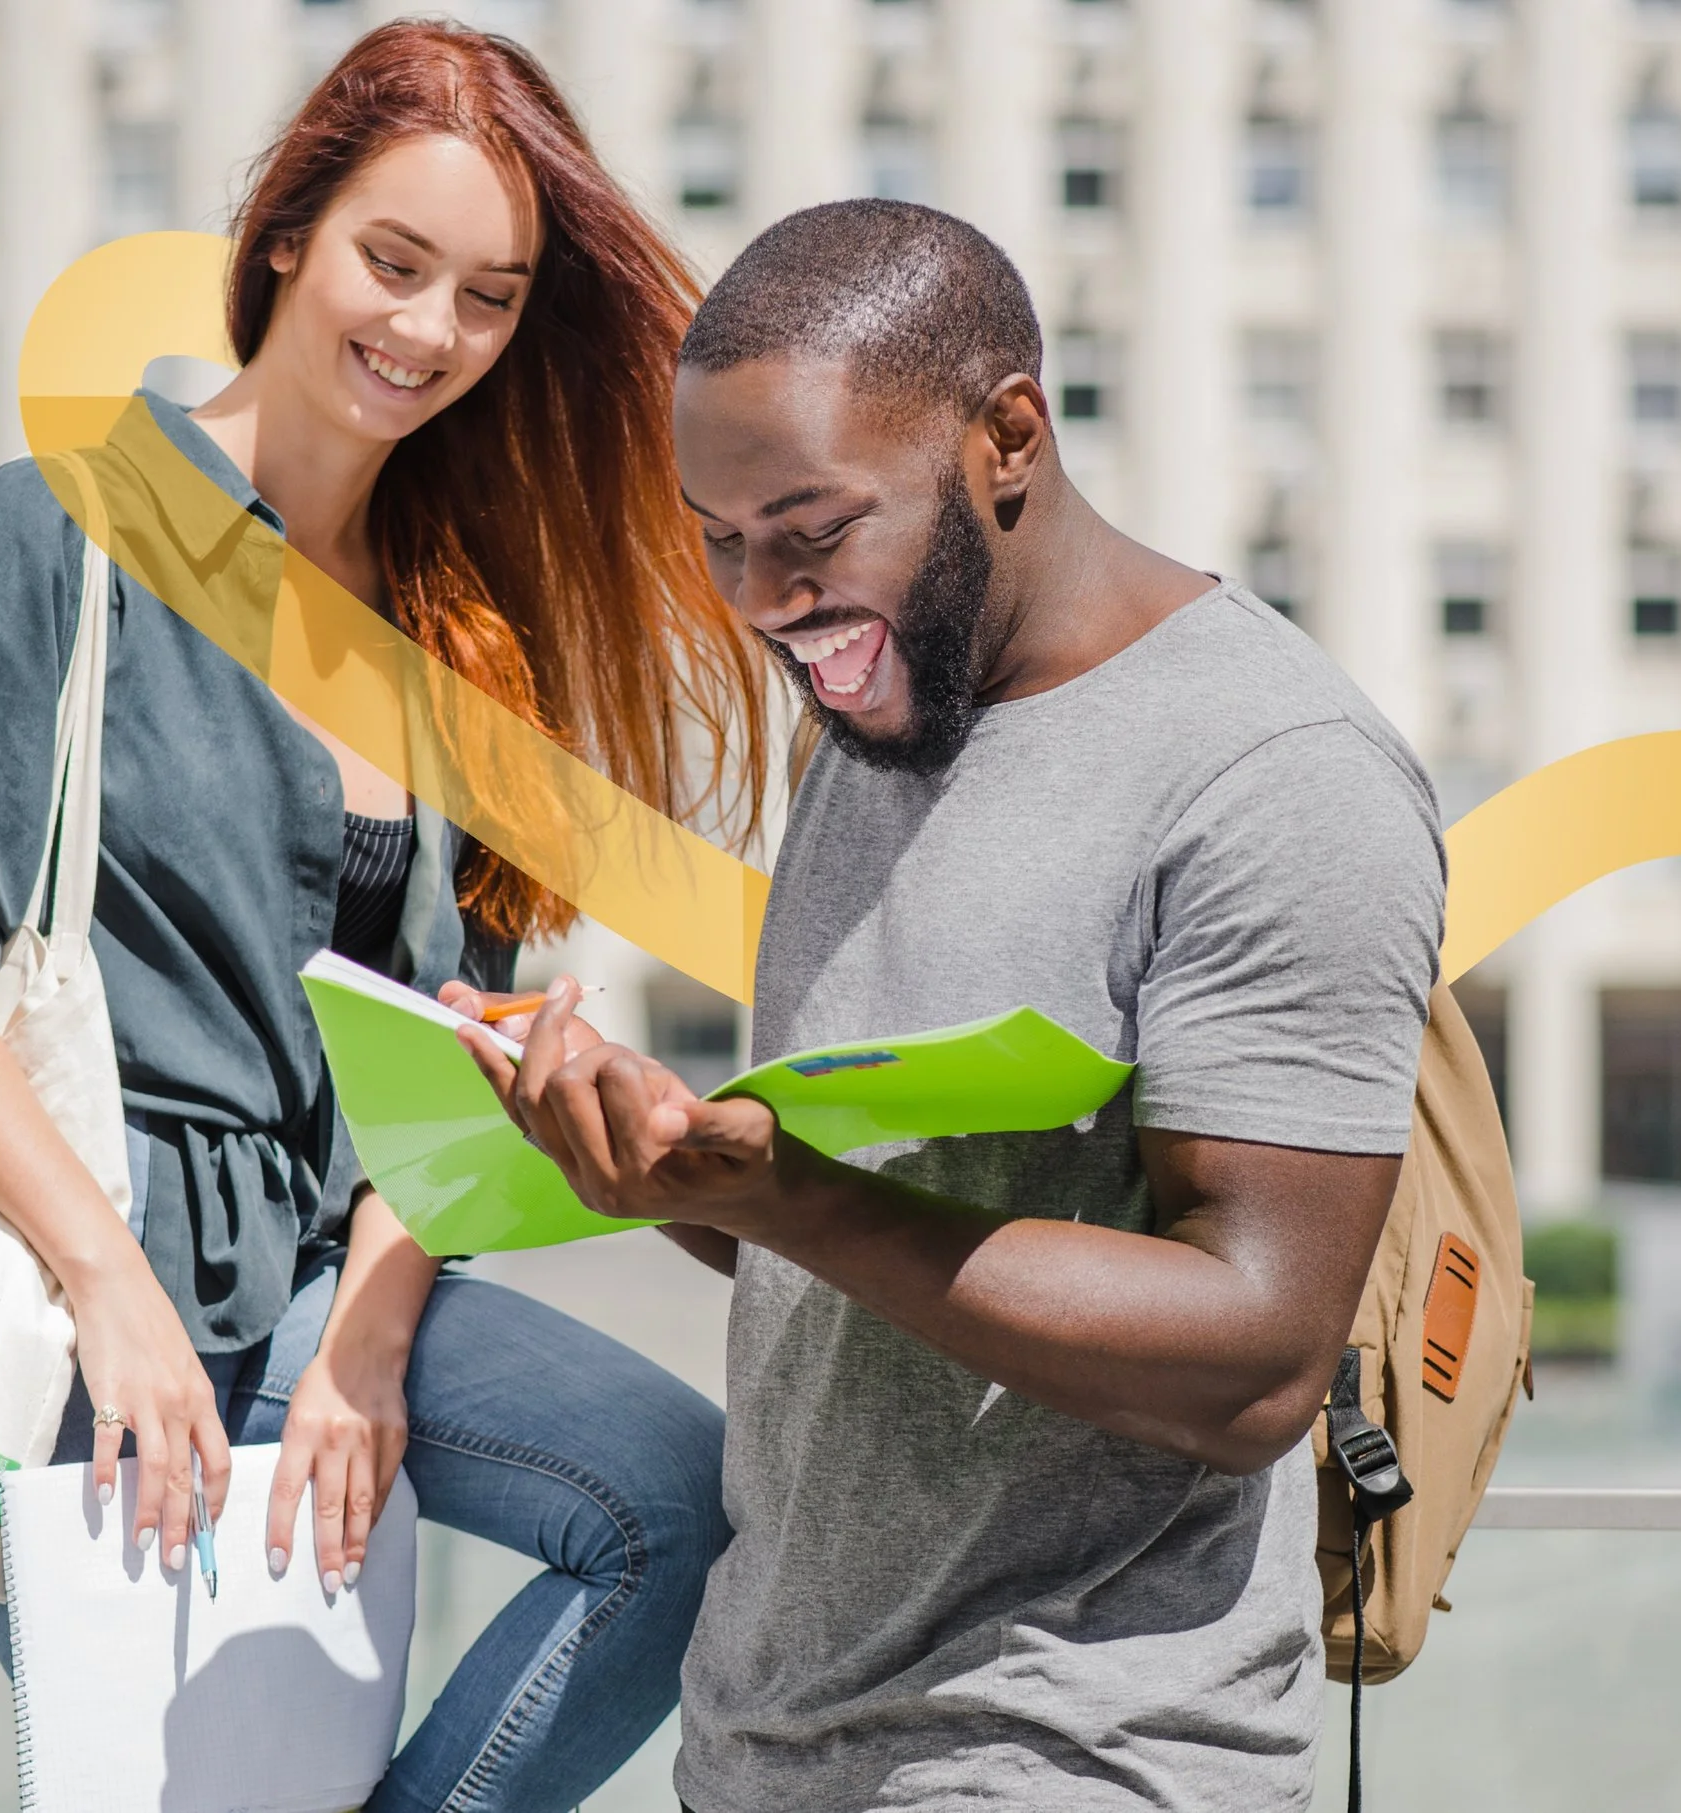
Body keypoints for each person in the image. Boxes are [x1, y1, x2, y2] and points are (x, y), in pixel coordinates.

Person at [0, 24, 767, 1812]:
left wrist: (369, 1341)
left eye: (486, 297)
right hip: (81, 1285)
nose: (426, 332)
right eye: (391, 264)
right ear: (285, 243)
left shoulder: (454, 625)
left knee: (678, 1509)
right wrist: (109, 1284)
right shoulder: (58, 534)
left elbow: (453, 1030)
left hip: (347, 1265)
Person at [455, 200, 1447, 1811]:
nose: (763, 595)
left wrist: (778, 1189)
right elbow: (868, 1232)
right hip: (770, 1748)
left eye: (813, 526)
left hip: (1072, 1759)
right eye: (720, 537)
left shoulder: (1276, 776)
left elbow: (1257, 1357)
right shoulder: (876, 719)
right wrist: (662, 1160)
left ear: (1008, 436)